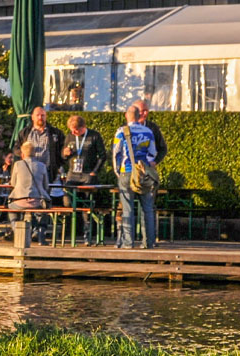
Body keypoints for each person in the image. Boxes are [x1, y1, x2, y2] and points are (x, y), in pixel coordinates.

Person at [113, 105, 159, 249]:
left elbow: (116, 152)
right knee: (147, 208)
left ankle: (128, 243)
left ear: (127, 115)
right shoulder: (148, 131)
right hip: (143, 172)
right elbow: (153, 153)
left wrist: (117, 171)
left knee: (127, 209)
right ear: (139, 116)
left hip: (126, 172)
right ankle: (148, 242)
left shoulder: (121, 131)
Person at [9, 141, 51, 243]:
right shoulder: (42, 166)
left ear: (22, 154)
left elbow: (13, 183)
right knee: (44, 210)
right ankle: (40, 233)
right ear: (35, 153)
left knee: (11, 208)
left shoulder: (17, 165)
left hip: (20, 201)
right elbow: (46, 185)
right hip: (37, 201)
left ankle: (17, 230)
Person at [11, 106, 66, 183]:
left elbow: (62, 150)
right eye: (37, 115)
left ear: (46, 116)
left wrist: (57, 165)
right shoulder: (25, 133)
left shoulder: (55, 133)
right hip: (28, 171)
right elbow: (16, 148)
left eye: (43, 115)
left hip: (48, 173)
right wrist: (23, 153)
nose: (40, 117)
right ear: (32, 117)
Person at [60, 115, 106, 185]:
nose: (73, 133)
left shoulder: (94, 136)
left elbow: (102, 155)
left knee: (87, 195)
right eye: (71, 130)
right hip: (72, 174)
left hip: (87, 174)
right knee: (68, 195)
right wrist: (64, 154)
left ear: (83, 127)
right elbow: (63, 156)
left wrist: (95, 171)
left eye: (75, 130)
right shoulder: (69, 137)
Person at [132, 99, 169, 164]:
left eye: (146, 110)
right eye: (143, 111)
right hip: (130, 168)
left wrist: (155, 161)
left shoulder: (152, 127)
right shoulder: (126, 128)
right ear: (135, 112)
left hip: (148, 168)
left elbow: (163, 148)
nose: (145, 113)